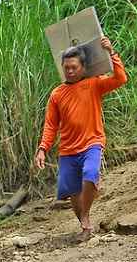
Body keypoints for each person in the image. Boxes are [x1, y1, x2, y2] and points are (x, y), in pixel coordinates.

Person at [34, 36, 127, 242]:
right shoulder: (57, 94)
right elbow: (51, 125)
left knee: (91, 173)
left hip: (92, 143)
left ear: (83, 67)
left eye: (74, 67)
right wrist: (42, 148)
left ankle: (85, 216)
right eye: (66, 67)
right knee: (73, 192)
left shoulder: (94, 84)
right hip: (67, 150)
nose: (69, 71)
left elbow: (121, 78)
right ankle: (84, 226)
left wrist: (112, 52)